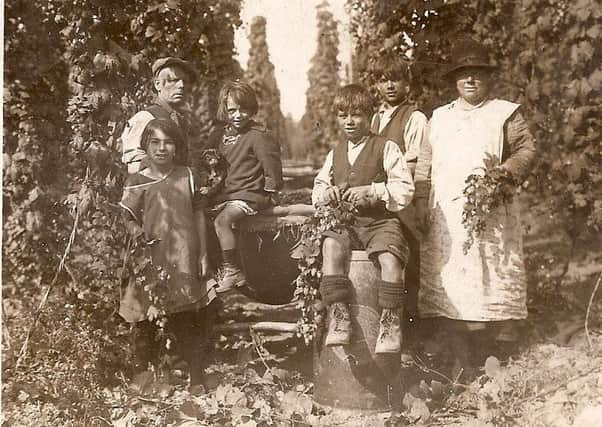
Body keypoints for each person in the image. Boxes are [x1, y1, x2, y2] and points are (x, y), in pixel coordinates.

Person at [415, 38, 536, 373]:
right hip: (447, 218)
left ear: (487, 78)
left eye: (477, 73)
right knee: (452, 282)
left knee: (489, 279)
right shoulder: (438, 117)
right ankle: (459, 359)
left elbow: (526, 149)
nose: (470, 80)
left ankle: (493, 355)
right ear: (454, 79)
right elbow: (425, 163)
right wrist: (422, 200)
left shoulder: (504, 113)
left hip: (490, 213)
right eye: (464, 73)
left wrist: (503, 173)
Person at [312, 84, 415, 354]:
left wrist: (374, 191)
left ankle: (390, 324)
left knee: (390, 257)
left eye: (356, 114)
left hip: (380, 221)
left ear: (370, 116)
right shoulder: (336, 152)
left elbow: (405, 190)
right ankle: (339, 316)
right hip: (347, 221)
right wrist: (328, 192)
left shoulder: (386, 147)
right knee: (330, 246)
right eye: (343, 114)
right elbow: (318, 188)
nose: (349, 121)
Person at [119, 118, 217, 389]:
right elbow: (126, 217)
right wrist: (137, 232)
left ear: (177, 146)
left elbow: (198, 215)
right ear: (145, 147)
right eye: (155, 142)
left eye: (168, 142)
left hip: (184, 256)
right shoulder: (137, 180)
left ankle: (196, 378)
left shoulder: (187, 175)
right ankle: (146, 379)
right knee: (145, 317)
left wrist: (203, 254)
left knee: (187, 317)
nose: (162, 148)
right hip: (151, 260)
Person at [370, 55, 429, 332]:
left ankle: (412, 329)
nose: (390, 86)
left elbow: (417, 161)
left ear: (407, 83)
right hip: (378, 199)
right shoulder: (374, 119)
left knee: (408, 261)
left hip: (403, 198)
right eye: (383, 80)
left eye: (396, 79)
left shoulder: (414, 118)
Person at [208, 81, 283, 293]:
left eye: (243, 109)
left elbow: (272, 166)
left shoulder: (258, 135)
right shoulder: (219, 135)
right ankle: (215, 270)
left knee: (223, 221)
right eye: (232, 110)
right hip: (226, 193)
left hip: (249, 194)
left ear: (251, 108)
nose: (238, 115)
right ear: (225, 110)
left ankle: (232, 270)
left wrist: (271, 191)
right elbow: (205, 159)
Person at [121, 57, 199, 173]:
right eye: (174, 80)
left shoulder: (181, 119)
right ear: (157, 85)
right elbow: (133, 165)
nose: (181, 85)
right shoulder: (145, 117)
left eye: (184, 81)